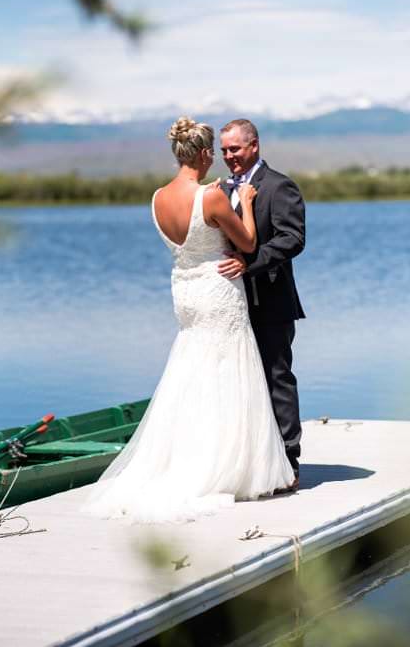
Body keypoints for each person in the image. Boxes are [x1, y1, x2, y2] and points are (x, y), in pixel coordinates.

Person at [79, 116, 294, 523]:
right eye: (216, 150)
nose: (221, 156)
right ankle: (228, 466)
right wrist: (246, 204)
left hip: (185, 292)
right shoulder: (211, 196)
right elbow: (247, 242)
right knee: (229, 372)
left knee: (192, 370)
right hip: (217, 290)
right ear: (204, 153)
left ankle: (186, 458)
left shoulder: (157, 198)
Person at [214, 119, 306, 493]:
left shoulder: (279, 185)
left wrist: (250, 263)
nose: (228, 157)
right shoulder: (218, 189)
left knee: (276, 379)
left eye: (234, 149)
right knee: (239, 381)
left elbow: (293, 239)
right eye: (223, 151)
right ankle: (250, 461)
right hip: (230, 306)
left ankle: (289, 461)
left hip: (271, 302)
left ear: (254, 146)